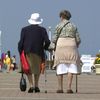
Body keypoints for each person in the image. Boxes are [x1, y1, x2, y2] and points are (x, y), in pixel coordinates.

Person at [18, 13, 50, 93]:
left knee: (28, 69)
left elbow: (21, 42)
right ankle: (36, 86)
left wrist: (20, 51)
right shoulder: (43, 30)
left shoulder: (24, 29)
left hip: (27, 51)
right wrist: (45, 47)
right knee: (37, 69)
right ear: (39, 22)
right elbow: (47, 41)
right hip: (39, 51)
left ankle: (31, 86)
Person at [51, 10, 81, 93]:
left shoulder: (58, 25)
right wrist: (76, 45)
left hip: (61, 45)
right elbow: (78, 39)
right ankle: (69, 88)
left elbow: (54, 38)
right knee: (71, 66)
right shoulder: (73, 26)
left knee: (60, 66)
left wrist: (53, 46)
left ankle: (60, 88)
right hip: (71, 45)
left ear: (61, 17)